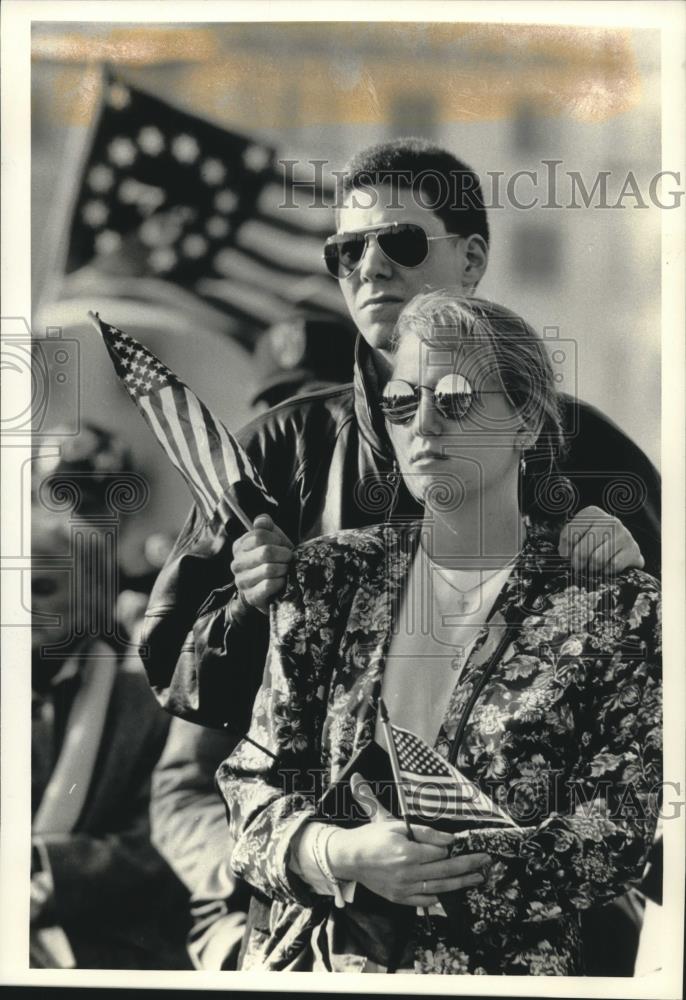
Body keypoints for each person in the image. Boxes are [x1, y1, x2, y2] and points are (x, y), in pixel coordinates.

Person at [141, 138, 661, 970]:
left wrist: (628, 561)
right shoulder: (275, 449)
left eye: (401, 240)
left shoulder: (594, 450)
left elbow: (637, 750)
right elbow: (184, 696)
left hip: (532, 935)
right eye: (345, 249)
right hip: (300, 910)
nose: (370, 264)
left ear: (473, 257)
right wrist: (246, 606)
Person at [216, 291, 661, 973]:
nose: (422, 424)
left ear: (527, 421)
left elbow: (618, 830)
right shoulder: (327, 579)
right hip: (317, 966)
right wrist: (342, 854)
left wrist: (429, 863)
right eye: (401, 403)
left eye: (454, 398)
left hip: (498, 975)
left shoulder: (611, 606)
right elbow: (250, 785)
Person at [30, 507, 191, 969]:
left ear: (92, 594)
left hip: (101, 946)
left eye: (43, 587)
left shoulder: (149, 704)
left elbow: (164, 839)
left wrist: (45, 880)